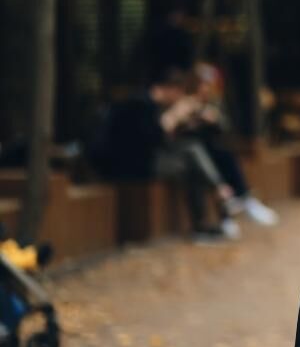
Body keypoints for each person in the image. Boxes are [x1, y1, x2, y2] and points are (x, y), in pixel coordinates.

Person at [97, 69, 241, 243]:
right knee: (192, 153)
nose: (178, 98)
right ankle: (218, 194)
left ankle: (204, 222)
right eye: (178, 93)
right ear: (170, 89)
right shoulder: (139, 104)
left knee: (194, 160)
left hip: (146, 160)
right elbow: (150, 140)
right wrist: (175, 116)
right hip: (134, 165)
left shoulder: (151, 105)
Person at [175, 62, 279, 226]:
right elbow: (176, 130)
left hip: (209, 154)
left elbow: (224, 127)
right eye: (203, 84)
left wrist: (212, 118)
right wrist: (191, 119)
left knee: (222, 153)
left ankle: (238, 205)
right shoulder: (183, 103)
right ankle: (236, 205)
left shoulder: (211, 104)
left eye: (209, 85)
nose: (207, 89)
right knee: (214, 160)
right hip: (188, 156)